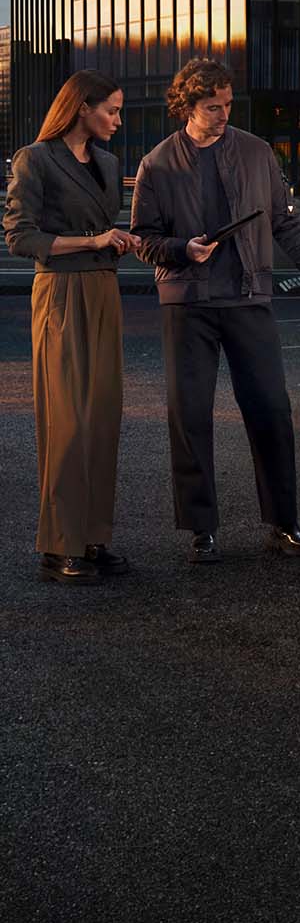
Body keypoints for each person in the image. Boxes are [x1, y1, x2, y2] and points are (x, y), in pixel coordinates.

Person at [131, 57, 300, 564]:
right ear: (187, 106)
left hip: (248, 298)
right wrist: (182, 249)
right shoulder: (157, 164)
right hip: (188, 304)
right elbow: (143, 240)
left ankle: (284, 523)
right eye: (213, 107)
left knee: (271, 409)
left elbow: (286, 223)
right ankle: (201, 529)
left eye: (228, 105)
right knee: (190, 416)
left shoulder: (256, 153)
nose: (224, 115)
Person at [3, 72, 136, 584]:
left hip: (104, 289)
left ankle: (92, 538)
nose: (118, 121)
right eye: (111, 111)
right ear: (82, 107)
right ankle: (58, 545)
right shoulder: (35, 159)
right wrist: (92, 241)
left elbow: (104, 231)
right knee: (67, 420)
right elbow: (20, 237)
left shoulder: (108, 163)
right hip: (60, 292)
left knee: (102, 418)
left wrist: (118, 241)